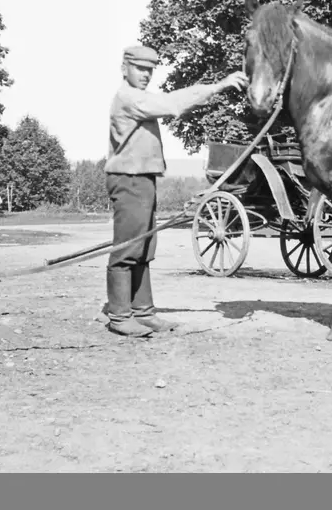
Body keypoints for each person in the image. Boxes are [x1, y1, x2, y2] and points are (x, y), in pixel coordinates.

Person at [103, 44, 248, 337]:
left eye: (149, 70)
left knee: (144, 247)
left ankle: (143, 312)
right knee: (127, 248)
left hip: (142, 179)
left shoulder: (138, 96)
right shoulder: (129, 97)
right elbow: (172, 104)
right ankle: (119, 315)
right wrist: (218, 86)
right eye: (139, 69)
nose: (145, 75)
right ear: (124, 69)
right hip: (129, 179)